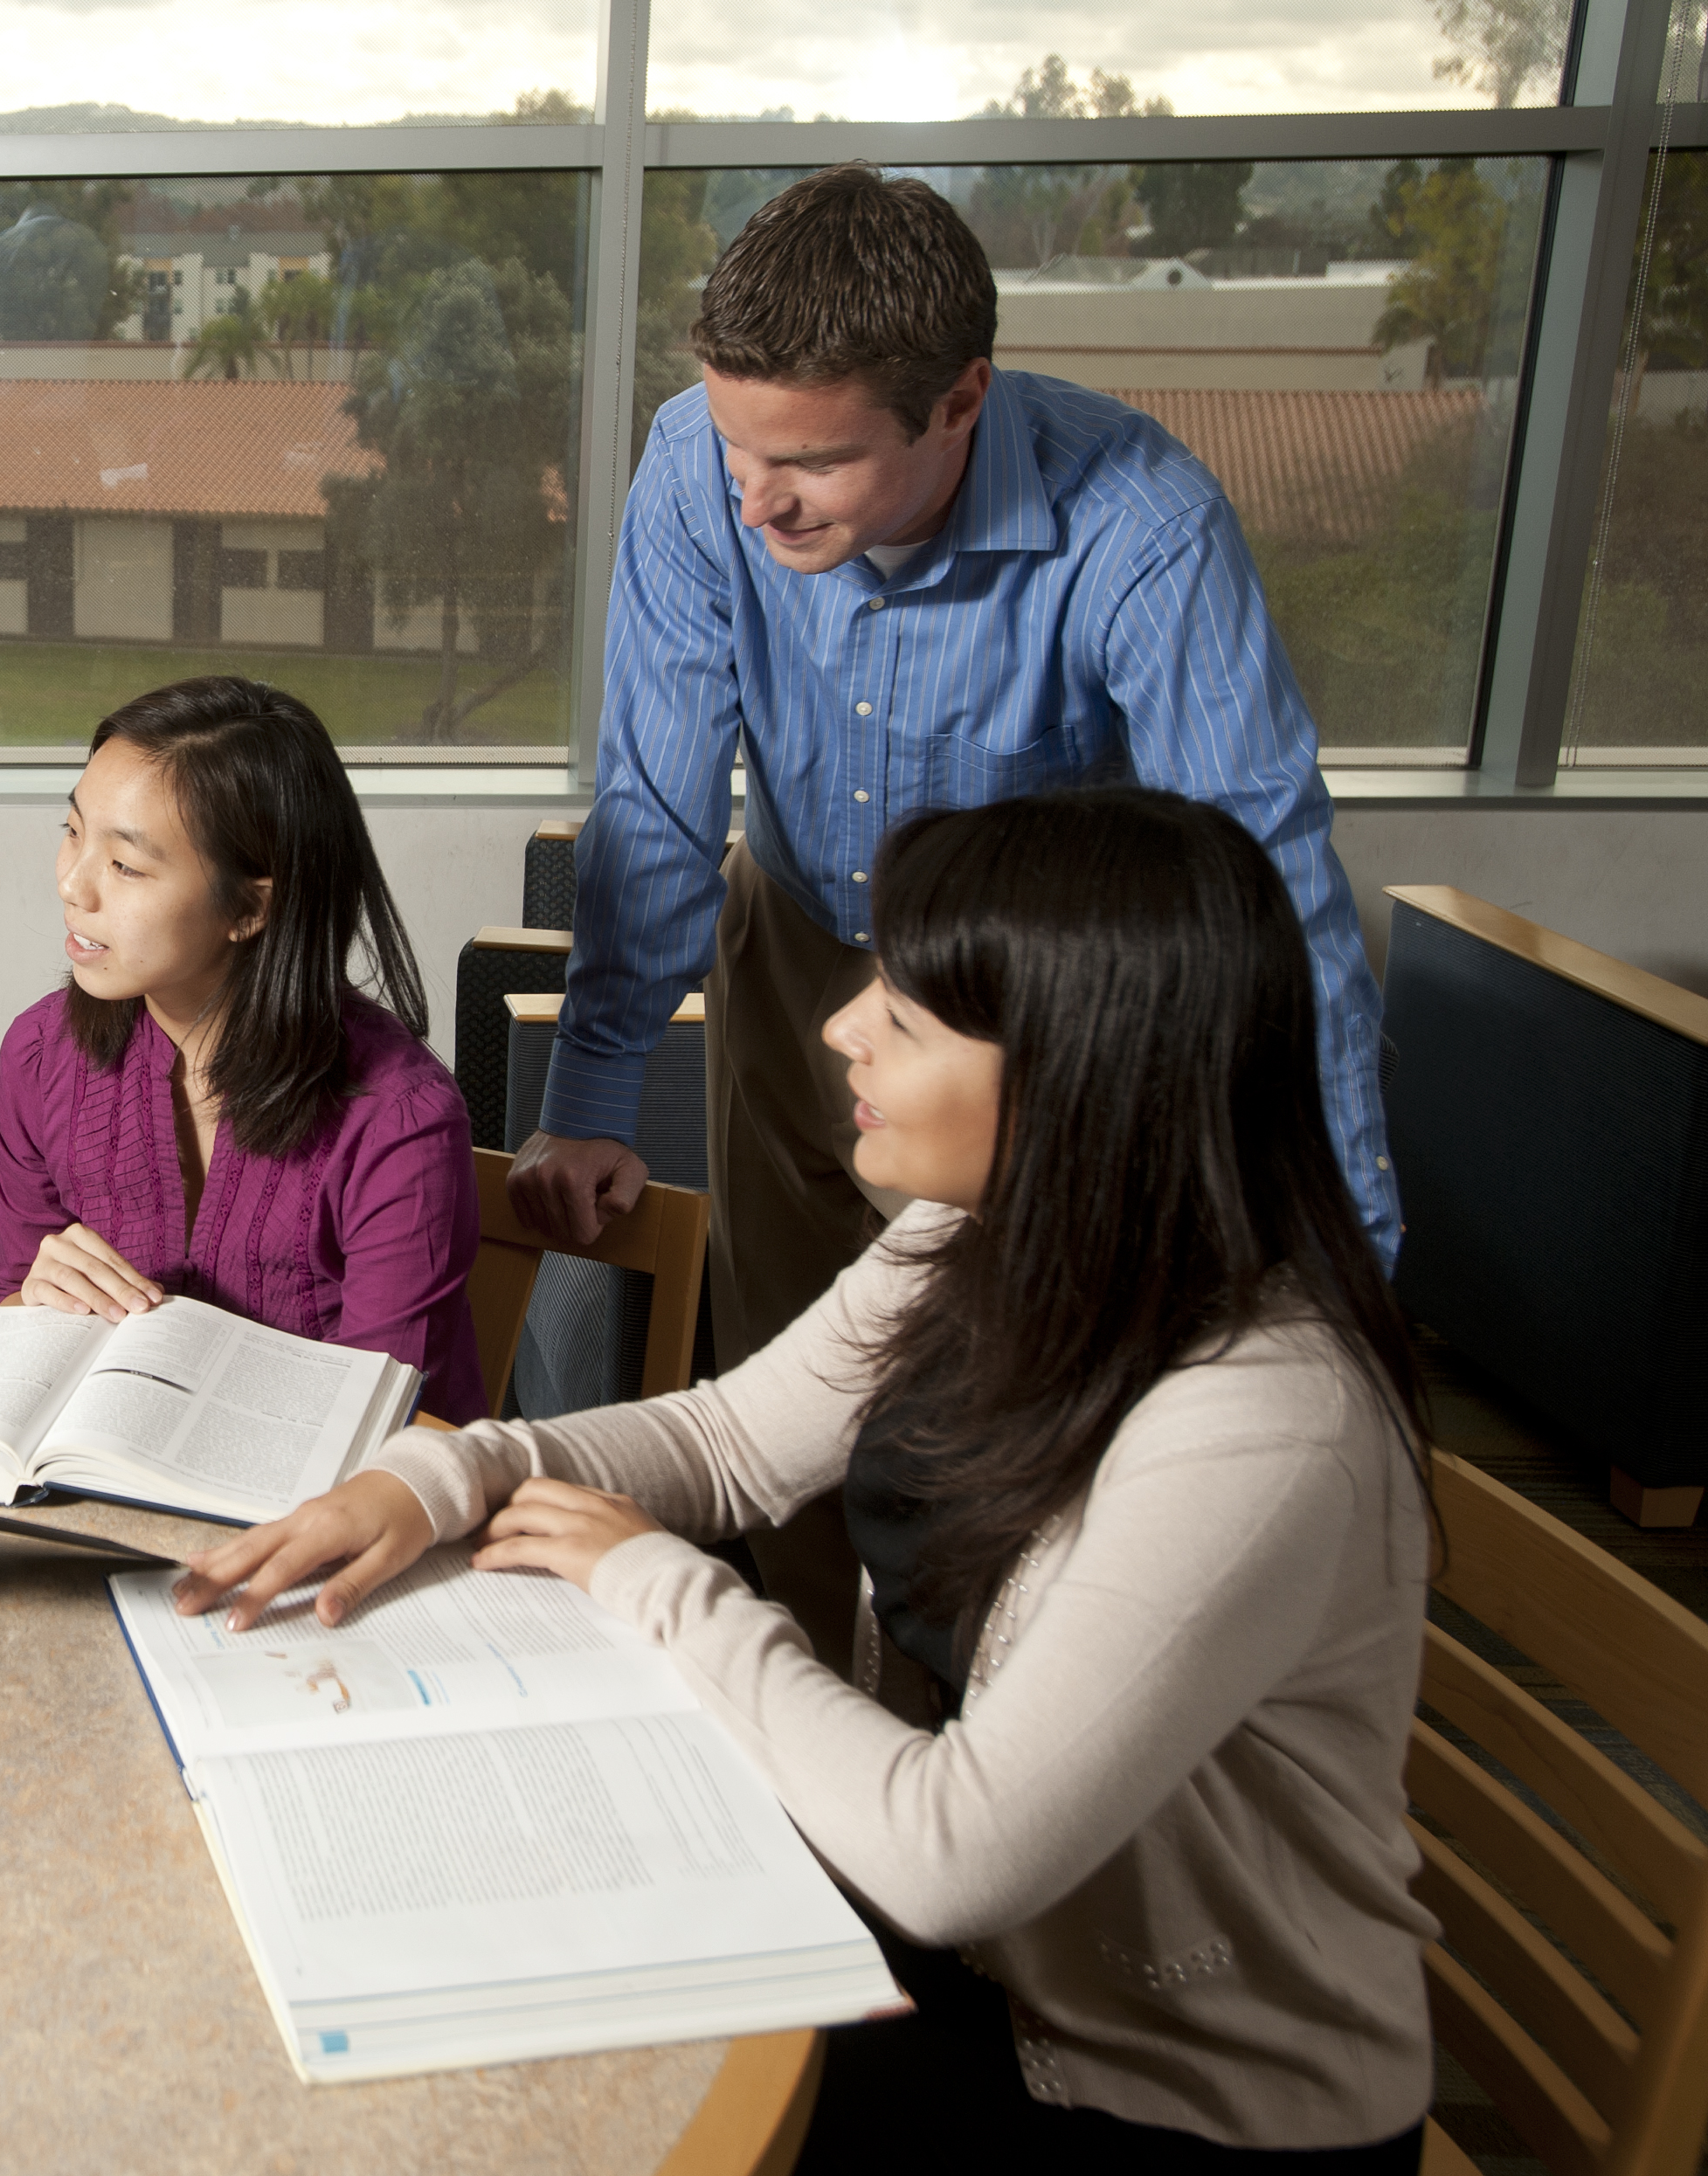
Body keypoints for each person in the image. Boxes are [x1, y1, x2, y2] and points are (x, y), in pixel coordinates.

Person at [178, 787, 1435, 2170]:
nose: (843, 1024)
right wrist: (443, 1476)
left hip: (1169, 2095)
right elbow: (726, 1442)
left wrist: (653, 1579)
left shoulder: (1262, 1422)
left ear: (1087, 1069)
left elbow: (953, 1853)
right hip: (973, 1974)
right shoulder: (973, 1237)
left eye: (905, 1013)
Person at [510, 162, 1399, 1652]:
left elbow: (1276, 912)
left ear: (958, 400)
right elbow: (657, 797)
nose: (754, 497)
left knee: (984, 1448)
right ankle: (774, 1753)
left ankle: (974, 1755)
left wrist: (1346, 1288)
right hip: (788, 941)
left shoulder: (1145, 526)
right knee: (775, 1384)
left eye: (811, 461)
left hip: (1014, 1022)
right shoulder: (694, 464)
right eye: (736, 445)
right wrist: (593, 1089)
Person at [0, 677, 485, 1421]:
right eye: (72, 831)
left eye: (124, 865)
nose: (73, 883)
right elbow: (15, 1330)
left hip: (333, 1516)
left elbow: (383, 1431)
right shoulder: (39, 1055)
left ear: (251, 906)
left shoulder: (399, 1121)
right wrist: (29, 1303)